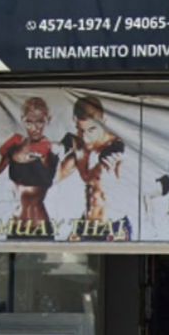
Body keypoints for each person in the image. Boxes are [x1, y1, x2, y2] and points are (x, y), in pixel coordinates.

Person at [58, 95, 127, 240]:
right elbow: (50, 178)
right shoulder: (79, 148)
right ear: (75, 121)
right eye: (80, 130)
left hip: (113, 224)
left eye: (91, 130)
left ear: (103, 121)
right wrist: (57, 150)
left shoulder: (116, 150)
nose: (85, 137)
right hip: (86, 224)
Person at [0, 97, 58, 237]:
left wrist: (44, 154)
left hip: (39, 223)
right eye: (29, 122)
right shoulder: (16, 146)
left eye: (40, 121)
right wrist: (1, 152)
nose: (34, 128)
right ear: (22, 120)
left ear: (47, 120)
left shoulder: (50, 148)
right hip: (16, 223)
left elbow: (49, 174)